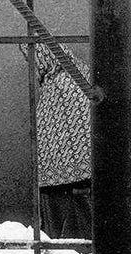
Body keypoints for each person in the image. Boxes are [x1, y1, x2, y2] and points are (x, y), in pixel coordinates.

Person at [28, 43, 93, 240]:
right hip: (82, 175)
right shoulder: (78, 75)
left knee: (66, 239)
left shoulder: (60, 85)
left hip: (66, 181)